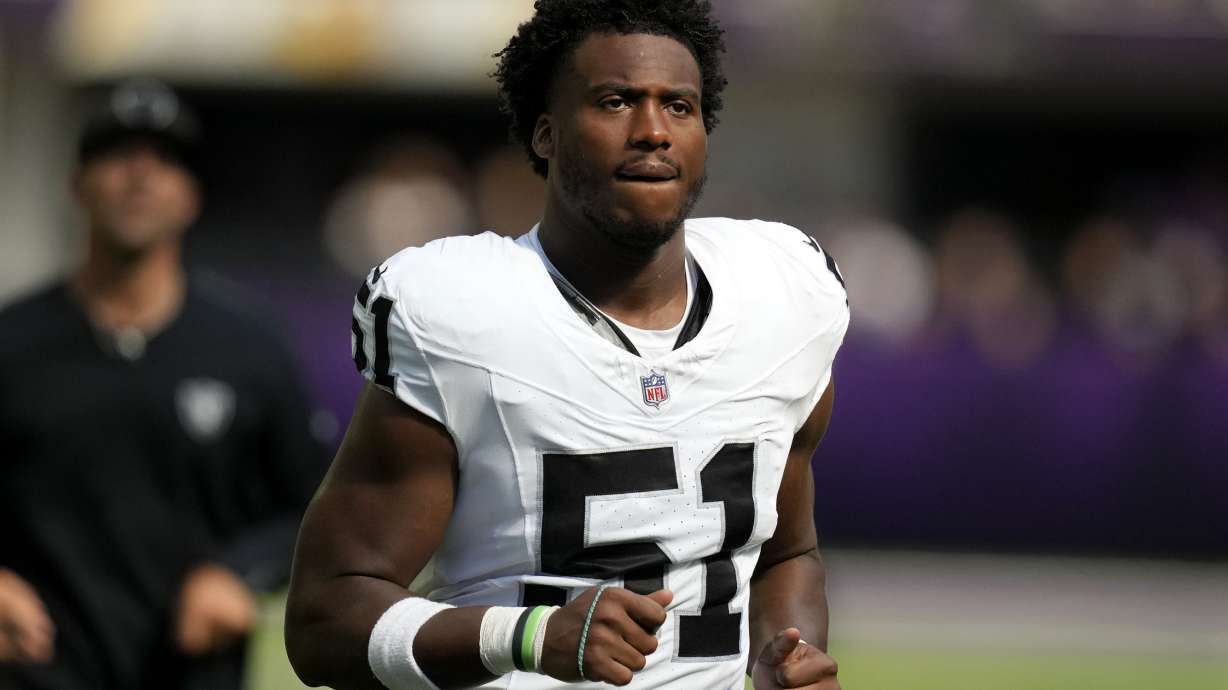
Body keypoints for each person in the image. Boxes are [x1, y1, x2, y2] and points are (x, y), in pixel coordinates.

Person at [285, 1, 848, 688]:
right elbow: (324, 618)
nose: (652, 132)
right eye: (615, 102)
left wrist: (783, 655)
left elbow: (788, 553)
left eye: (679, 106)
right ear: (546, 135)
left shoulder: (783, 296)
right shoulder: (464, 315)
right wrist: (525, 636)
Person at [0, 79, 325, 689]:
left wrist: (240, 574)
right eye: (116, 154)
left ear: (191, 196)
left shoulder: (247, 348)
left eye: (165, 159)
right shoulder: (12, 343)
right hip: (44, 671)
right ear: (77, 184)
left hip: (193, 673)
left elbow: (311, 505)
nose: (139, 175)